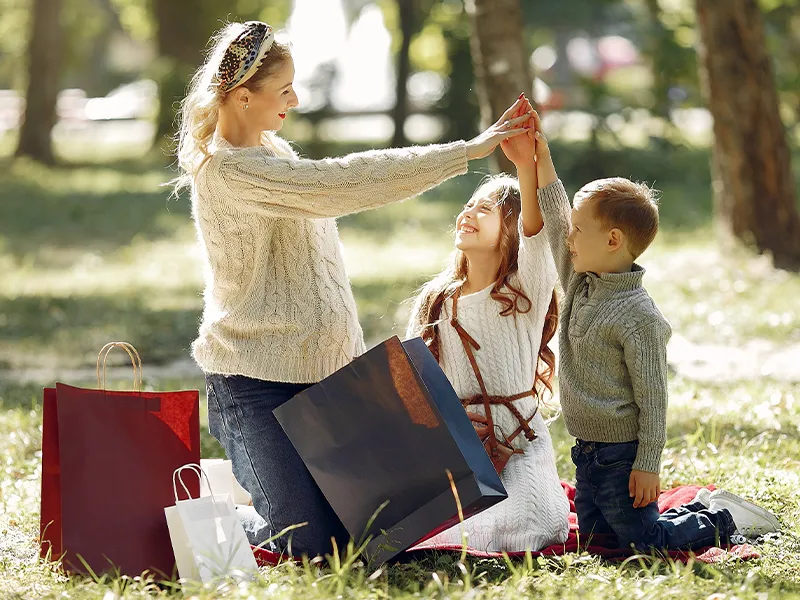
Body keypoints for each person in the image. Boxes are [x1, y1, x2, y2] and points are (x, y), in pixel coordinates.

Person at [172, 20, 532, 558]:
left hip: (328, 379)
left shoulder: (275, 152)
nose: (295, 98)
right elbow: (343, 182)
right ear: (243, 97)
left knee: (367, 538)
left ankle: (270, 497)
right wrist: (466, 153)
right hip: (254, 381)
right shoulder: (228, 172)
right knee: (304, 545)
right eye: (284, 89)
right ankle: (214, 511)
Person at [530, 111, 780, 550]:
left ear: (612, 241)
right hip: (587, 450)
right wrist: (540, 159)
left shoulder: (638, 316)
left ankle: (718, 520)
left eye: (579, 231)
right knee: (595, 540)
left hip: (623, 454)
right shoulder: (580, 282)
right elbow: (554, 222)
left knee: (646, 542)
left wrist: (647, 466)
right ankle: (695, 511)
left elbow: (654, 399)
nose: (568, 240)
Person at [405, 97, 569, 552]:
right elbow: (413, 388)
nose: (468, 213)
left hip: (517, 444)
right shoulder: (436, 300)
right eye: (468, 205)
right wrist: (447, 430)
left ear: (512, 231)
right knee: (392, 522)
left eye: (485, 210)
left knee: (533, 523)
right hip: (454, 453)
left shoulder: (525, 289)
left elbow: (549, 228)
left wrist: (531, 162)